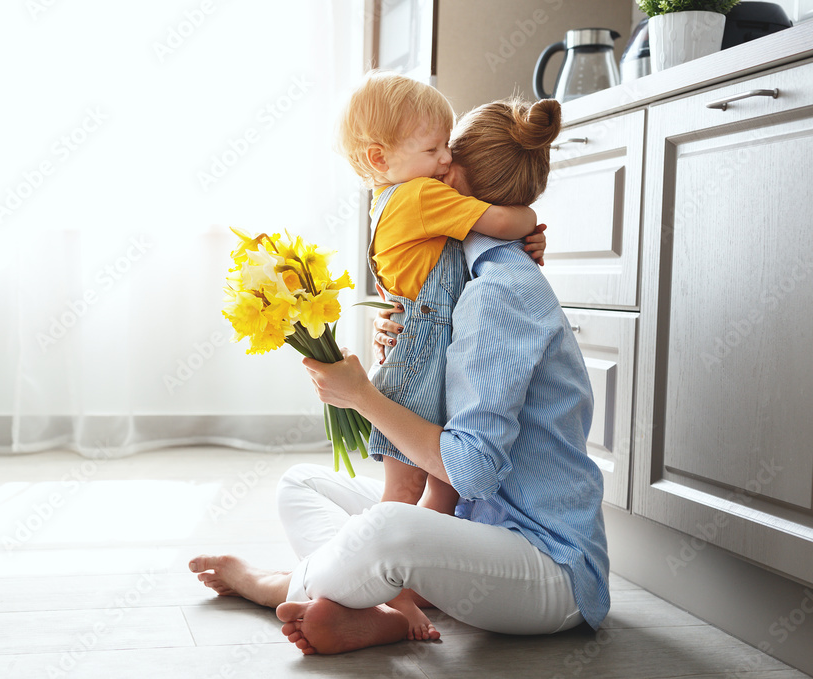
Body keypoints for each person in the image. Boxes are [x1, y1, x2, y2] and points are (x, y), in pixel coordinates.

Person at [189, 96, 609, 655]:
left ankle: (272, 586)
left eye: (442, 152)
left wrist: (361, 395)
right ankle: (380, 608)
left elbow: (472, 472)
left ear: (453, 181)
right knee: (303, 483)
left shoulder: (499, 291)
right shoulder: (465, 273)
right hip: (474, 531)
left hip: (547, 567)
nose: (431, 165)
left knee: (387, 526)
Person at [334, 70, 548, 638]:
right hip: (423, 359)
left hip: (419, 351)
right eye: (433, 148)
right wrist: (530, 219)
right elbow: (501, 219)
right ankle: (385, 590)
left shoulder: (389, 199)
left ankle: (395, 589)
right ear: (380, 157)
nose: (445, 158)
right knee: (429, 486)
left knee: (421, 487)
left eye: (449, 145)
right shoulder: (420, 195)